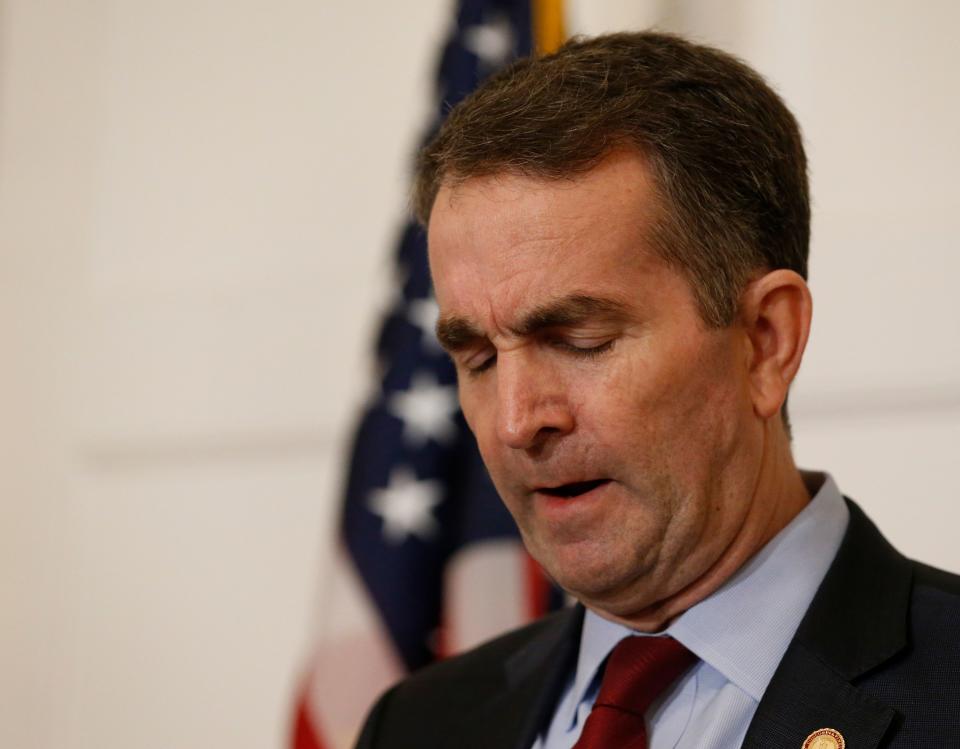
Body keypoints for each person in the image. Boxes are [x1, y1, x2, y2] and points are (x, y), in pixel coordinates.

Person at [355, 31, 960, 749]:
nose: (517, 421)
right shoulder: (416, 726)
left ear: (765, 340)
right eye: (479, 358)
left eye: (581, 341)